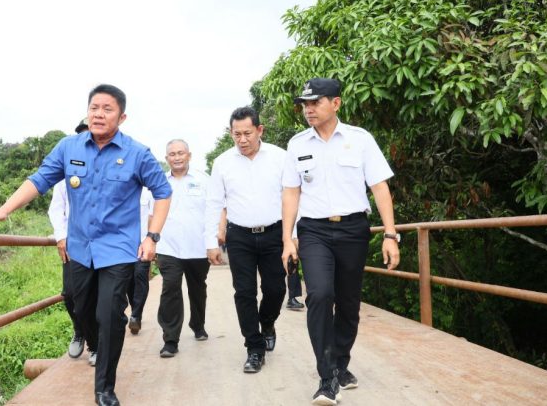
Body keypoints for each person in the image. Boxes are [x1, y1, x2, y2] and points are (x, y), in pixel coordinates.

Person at [0, 84, 172, 406]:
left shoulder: (137, 153)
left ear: (122, 116)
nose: (98, 114)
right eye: (94, 107)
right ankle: (95, 346)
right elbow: (39, 180)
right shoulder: (68, 148)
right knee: (81, 309)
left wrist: (152, 236)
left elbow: (162, 192)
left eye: (107, 109)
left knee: (109, 315)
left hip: (118, 249)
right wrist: (4, 209)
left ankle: (104, 387)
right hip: (80, 249)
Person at [281, 77, 400, 406]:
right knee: (319, 294)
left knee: (348, 303)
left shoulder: (360, 140)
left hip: (353, 230)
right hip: (314, 231)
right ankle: (327, 377)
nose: (308, 109)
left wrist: (390, 235)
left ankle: (340, 363)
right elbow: (291, 192)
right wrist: (287, 239)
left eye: (315, 102)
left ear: (336, 103)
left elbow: (379, 187)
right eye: (305, 104)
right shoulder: (297, 144)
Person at [205, 106, 287, 374]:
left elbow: (293, 199)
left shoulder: (280, 157)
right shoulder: (223, 162)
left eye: (247, 133)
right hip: (239, 236)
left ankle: (268, 323)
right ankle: (254, 348)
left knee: (276, 289)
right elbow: (214, 203)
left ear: (260, 130)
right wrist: (210, 241)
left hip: (275, 233)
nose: (242, 140)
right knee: (244, 292)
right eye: (236, 134)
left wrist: (292, 238)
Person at [155, 139, 212, 358]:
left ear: (189, 155)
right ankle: (170, 339)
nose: (177, 157)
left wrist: (214, 241)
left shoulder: (203, 180)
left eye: (181, 153)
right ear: (166, 158)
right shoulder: (159, 182)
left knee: (197, 289)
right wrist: (149, 241)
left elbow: (213, 211)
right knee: (170, 288)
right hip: (168, 246)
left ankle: (198, 324)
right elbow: (151, 214)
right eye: (172, 154)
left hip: (198, 247)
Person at [47, 118, 91, 362]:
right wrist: (61, 236)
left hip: (101, 244)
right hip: (73, 245)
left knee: (99, 297)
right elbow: (56, 209)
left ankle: (97, 343)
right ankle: (79, 332)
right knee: (71, 293)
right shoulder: (65, 177)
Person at [126, 188, 153, 335]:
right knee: (129, 280)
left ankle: (136, 315)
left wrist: (152, 241)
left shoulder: (148, 191)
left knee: (140, 276)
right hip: (123, 244)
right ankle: (135, 311)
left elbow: (153, 216)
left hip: (143, 242)